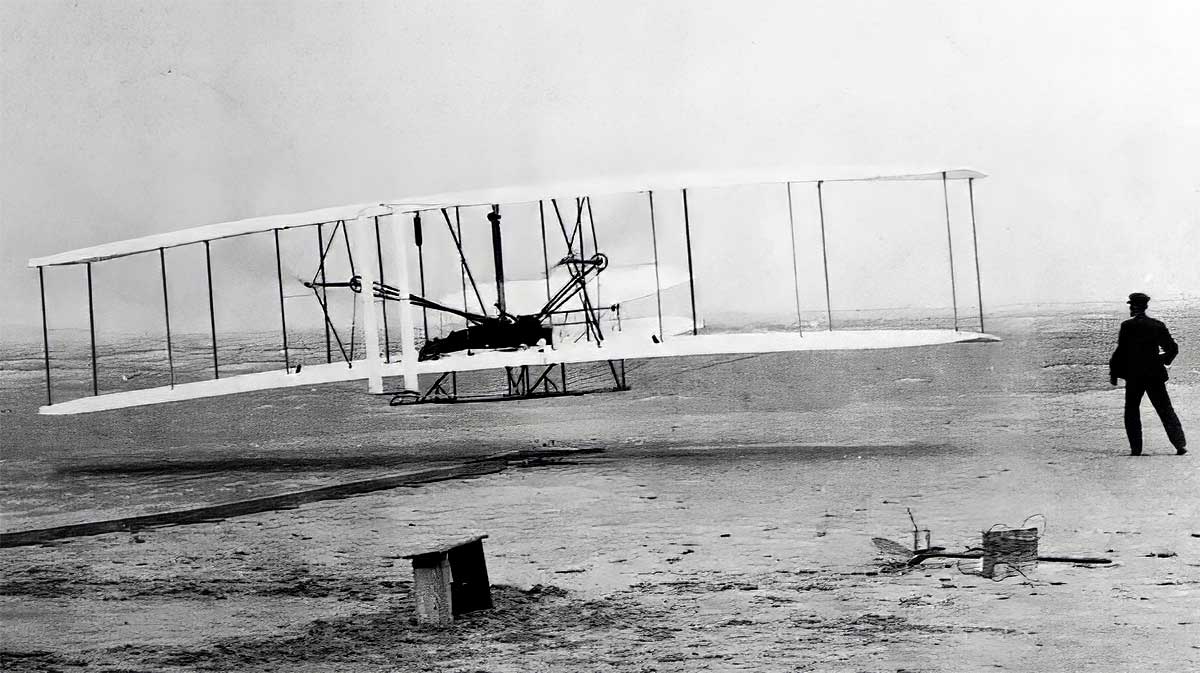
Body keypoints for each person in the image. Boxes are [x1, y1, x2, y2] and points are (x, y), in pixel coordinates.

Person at [1109, 292, 1187, 456]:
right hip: (1154, 375)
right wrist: (1161, 360)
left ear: (1135, 307)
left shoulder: (1127, 326)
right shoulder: (1157, 325)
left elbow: (1120, 352)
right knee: (1165, 409)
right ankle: (1180, 445)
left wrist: (1114, 372)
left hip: (1134, 376)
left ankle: (1136, 449)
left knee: (1131, 411)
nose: (1130, 308)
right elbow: (1173, 349)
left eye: (1131, 305)